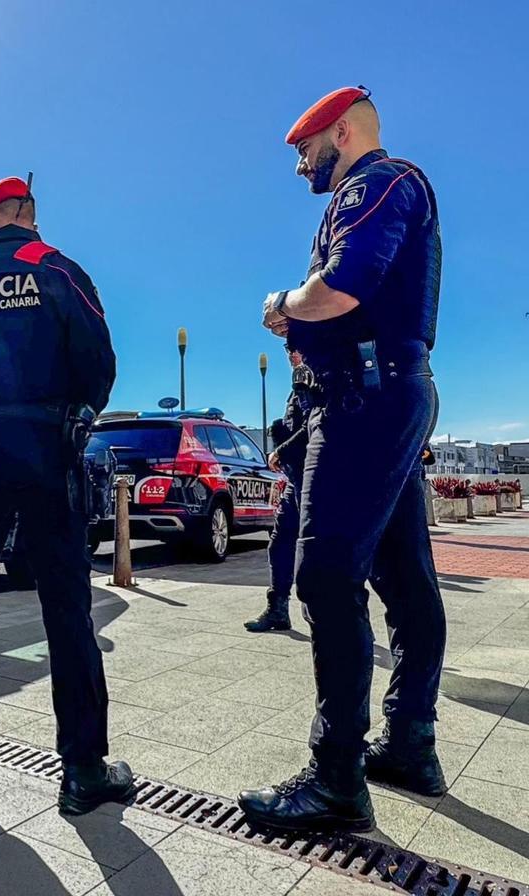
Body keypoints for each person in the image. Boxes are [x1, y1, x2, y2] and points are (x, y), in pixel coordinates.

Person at [241, 87, 447, 832]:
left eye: (306, 149)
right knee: (405, 577)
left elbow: (341, 288)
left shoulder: (376, 181)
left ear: (343, 131)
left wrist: (285, 303)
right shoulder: (390, 186)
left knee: (326, 576)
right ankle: (411, 744)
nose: (301, 166)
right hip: (386, 390)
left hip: (363, 400)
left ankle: (335, 779)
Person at [0, 175, 134, 816]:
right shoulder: (58, 269)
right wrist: (75, 411)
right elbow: (99, 361)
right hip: (46, 451)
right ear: (30, 216)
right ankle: (82, 769)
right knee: (66, 606)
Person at [243, 346, 306, 633]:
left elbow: (318, 425)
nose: (292, 355)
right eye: (288, 349)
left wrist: (282, 447)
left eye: (297, 349)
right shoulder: (297, 385)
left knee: (316, 550)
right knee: (280, 544)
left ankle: (329, 618)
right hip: (296, 480)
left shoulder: (317, 379)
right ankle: (278, 608)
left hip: (317, 480)